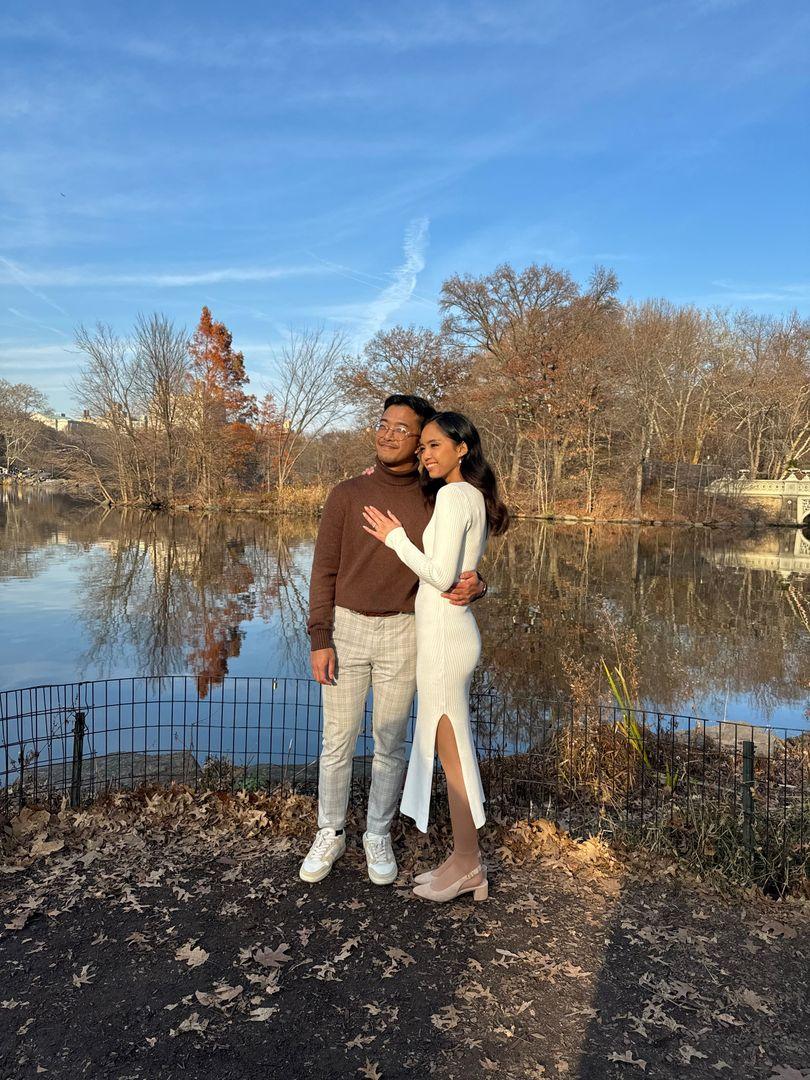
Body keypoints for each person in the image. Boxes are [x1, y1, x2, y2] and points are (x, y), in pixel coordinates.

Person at [300, 395, 486, 886]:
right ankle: (331, 832)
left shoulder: (435, 497)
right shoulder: (347, 493)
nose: (387, 434)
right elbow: (323, 570)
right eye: (383, 424)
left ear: (424, 442)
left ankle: (377, 834)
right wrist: (320, 636)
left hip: (407, 631)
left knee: (389, 742)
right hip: (346, 628)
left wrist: (480, 583)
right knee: (336, 742)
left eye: (403, 430)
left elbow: (460, 557)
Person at [363, 411, 508, 902]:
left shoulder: (452, 496)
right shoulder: (468, 496)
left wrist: (394, 538)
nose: (424, 454)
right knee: (453, 753)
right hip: (449, 634)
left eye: (432, 445)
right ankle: (460, 858)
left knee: (454, 757)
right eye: (420, 447)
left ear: (461, 448)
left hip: (446, 641)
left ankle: (469, 865)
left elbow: (443, 575)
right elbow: (462, 571)